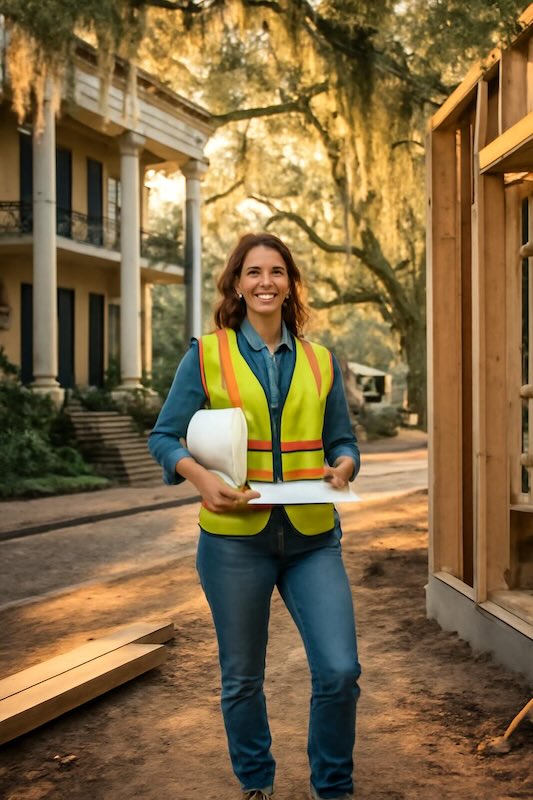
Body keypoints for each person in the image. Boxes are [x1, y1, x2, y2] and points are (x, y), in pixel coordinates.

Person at [149, 232, 361, 800]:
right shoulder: (207, 354)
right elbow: (165, 436)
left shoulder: (321, 361)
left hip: (313, 538)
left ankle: (333, 788)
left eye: (276, 271)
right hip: (233, 543)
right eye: (253, 272)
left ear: (290, 284)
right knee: (242, 679)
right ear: (237, 285)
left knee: (340, 672)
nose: (265, 282)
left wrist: (342, 469)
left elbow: (344, 443)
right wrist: (200, 479)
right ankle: (256, 784)